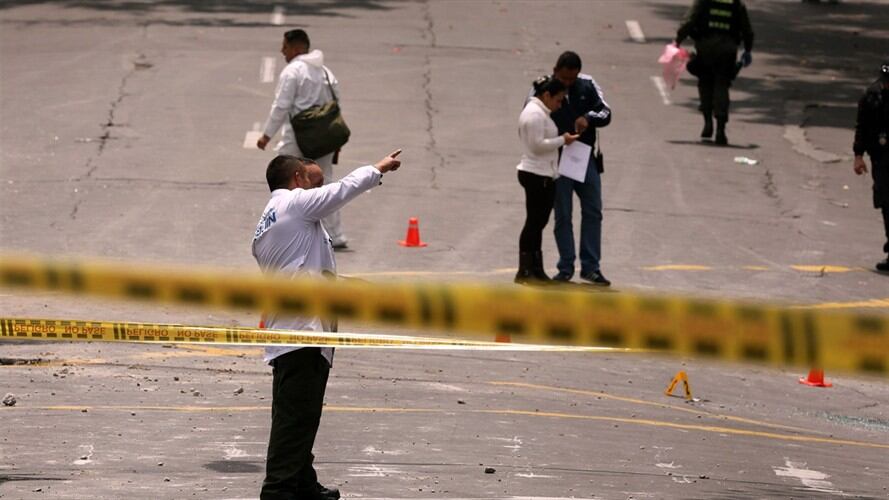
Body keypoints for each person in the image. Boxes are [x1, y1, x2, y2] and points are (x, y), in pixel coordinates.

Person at [252, 150, 403, 500]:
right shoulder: (294, 204)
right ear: (296, 180)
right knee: (295, 420)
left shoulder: (274, 218)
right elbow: (342, 190)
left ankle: (303, 483)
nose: (321, 185)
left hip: (295, 331)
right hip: (301, 334)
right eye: (314, 179)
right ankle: (277, 492)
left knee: (299, 417)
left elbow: (303, 273)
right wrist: (377, 168)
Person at [257, 29, 350, 250]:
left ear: (297, 48)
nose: (282, 51)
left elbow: (282, 105)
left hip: (298, 137)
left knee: (283, 179)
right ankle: (335, 236)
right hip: (325, 136)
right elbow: (336, 104)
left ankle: (280, 228)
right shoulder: (326, 72)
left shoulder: (293, 71)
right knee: (325, 182)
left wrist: (266, 134)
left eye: (285, 47)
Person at [548, 51, 613, 286]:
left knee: (593, 211)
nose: (566, 84)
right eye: (562, 78)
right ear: (555, 70)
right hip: (557, 158)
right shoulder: (544, 87)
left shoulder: (587, 85)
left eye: (570, 79)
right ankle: (565, 266)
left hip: (584, 159)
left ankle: (591, 267)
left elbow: (606, 112)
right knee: (563, 214)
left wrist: (588, 117)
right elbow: (530, 111)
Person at [515, 76, 579, 284]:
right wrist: (563, 140)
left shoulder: (541, 113)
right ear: (546, 95)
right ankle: (525, 269)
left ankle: (536, 268)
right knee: (533, 222)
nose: (559, 105)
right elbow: (537, 145)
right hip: (535, 173)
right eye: (558, 100)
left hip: (543, 172)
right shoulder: (534, 115)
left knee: (539, 222)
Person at [675, 0, 754, 145]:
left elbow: (689, 22)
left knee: (705, 82)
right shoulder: (736, 3)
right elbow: (747, 30)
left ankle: (707, 121)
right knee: (722, 84)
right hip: (727, 49)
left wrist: (678, 40)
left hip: (706, 46)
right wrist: (748, 49)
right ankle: (721, 129)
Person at [853, 58, 889, 272]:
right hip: (882, 157)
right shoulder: (872, 97)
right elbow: (862, 127)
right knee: (886, 202)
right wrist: (858, 155)